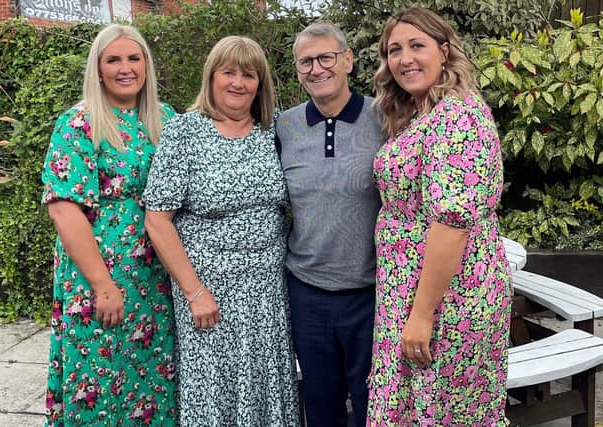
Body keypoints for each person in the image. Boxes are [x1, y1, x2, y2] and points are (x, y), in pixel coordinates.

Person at [142, 35, 299, 426]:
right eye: (228, 72)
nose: (238, 83)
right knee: (215, 390)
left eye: (249, 75)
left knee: (267, 385)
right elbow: (157, 218)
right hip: (208, 294)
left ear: (260, 83)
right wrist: (195, 292)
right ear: (211, 77)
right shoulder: (185, 132)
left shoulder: (274, 130)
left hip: (267, 292)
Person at [366, 7, 512, 425]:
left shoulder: (458, 116)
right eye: (394, 50)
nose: (404, 59)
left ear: (444, 52)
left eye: (417, 46)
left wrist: (421, 315)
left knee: (443, 410)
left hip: (447, 298)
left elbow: (452, 223)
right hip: (412, 291)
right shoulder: (421, 114)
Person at [41, 24, 177, 426]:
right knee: (98, 384)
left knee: (152, 379)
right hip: (98, 274)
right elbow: (64, 211)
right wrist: (102, 285)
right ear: (97, 69)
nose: (125, 68)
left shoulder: (164, 118)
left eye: (134, 58)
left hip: (154, 277)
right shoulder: (79, 122)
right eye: (113, 59)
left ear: (147, 66)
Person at [276, 23, 383, 427]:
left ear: (348, 60)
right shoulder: (284, 127)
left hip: (372, 293)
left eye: (326, 57)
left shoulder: (385, 116)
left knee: (373, 405)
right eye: (306, 61)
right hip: (307, 292)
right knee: (320, 406)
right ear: (297, 68)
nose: (317, 68)